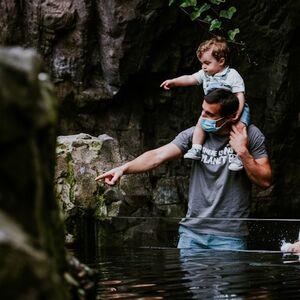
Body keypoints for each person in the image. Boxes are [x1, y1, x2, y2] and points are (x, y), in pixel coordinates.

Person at [95, 89, 272, 251]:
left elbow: (265, 181)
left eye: (209, 114)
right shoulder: (195, 135)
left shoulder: (251, 135)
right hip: (191, 234)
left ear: (231, 116)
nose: (202, 117)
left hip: (230, 237)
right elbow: (158, 155)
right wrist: (123, 169)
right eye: (202, 110)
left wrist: (242, 152)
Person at [160, 36, 249, 172]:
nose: (204, 66)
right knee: (200, 125)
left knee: (240, 129)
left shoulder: (232, 75)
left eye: (207, 63)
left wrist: (238, 111)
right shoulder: (204, 74)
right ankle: (196, 148)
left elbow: (239, 94)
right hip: (213, 111)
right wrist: (174, 82)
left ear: (221, 61)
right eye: (202, 63)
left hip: (234, 109)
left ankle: (238, 156)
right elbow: (190, 78)